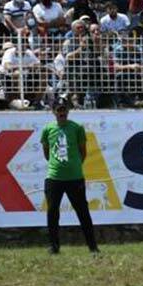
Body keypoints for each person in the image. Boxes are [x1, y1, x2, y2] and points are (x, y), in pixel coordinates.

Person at [40, 100, 99, 255]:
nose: (62, 113)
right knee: (52, 212)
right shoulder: (47, 129)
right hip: (54, 178)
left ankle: (93, 247)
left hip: (75, 178)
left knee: (83, 212)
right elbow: (47, 153)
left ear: (68, 111)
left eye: (64, 109)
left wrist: (74, 166)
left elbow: (83, 152)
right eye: (58, 110)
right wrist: (57, 166)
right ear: (53, 111)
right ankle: (54, 246)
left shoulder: (77, 128)